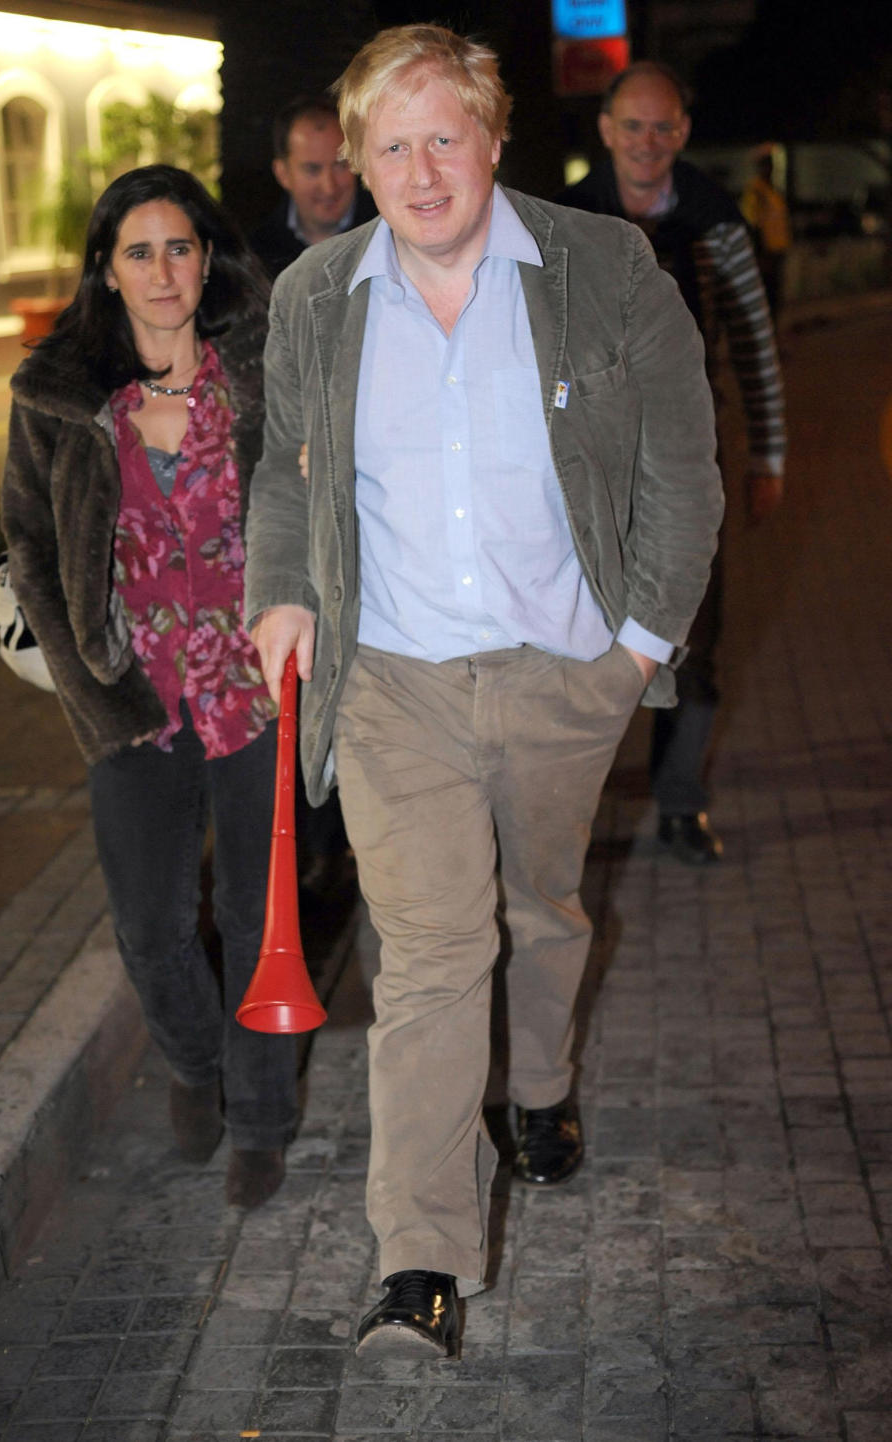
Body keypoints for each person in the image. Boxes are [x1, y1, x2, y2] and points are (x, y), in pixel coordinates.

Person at [243, 25, 723, 1359]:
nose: (418, 168)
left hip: (567, 670)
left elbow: (684, 467)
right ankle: (422, 1260)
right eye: (389, 146)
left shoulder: (602, 267)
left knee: (545, 906)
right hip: (393, 680)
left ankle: (548, 1083)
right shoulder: (317, 296)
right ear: (358, 161)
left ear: (493, 140)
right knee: (435, 956)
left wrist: (634, 651)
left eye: (441, 136)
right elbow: (284, 476)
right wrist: (279, 588)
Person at [1, 165, 298, 1210]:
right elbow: (31, 549)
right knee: (150, 928)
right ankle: (195, 1063)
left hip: (260, 687)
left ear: (207, 258)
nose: (164, 270)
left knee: (263, 919)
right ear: (107, 270)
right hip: (135, 697)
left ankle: (260, 1117)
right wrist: (88, 684)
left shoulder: (264, 371)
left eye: (181, 247)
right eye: (140, 251)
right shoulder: (60, 394)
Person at [560, 61, 786, 865]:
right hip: (584, 464)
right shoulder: (566, 219)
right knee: (576, 641)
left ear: (682, 133)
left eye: (664, 128)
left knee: (692, 636)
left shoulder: (717, 220)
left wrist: (769, 452)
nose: (648, 142)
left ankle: (679, 803)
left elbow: (755, 345)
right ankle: (564, 818)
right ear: (608, 129)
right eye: (634, 126)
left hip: (689, 461)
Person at [249, 94, 378, 280]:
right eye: (312, 169)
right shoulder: (257, 256)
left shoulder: (391, 237)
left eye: (341, 165)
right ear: (282, 174)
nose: (329, 187)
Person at [741, 150, 792, 329]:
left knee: (775, 299)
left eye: (771, 165)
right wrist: (761, 255)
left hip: (777, 251)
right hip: (766, 254)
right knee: (766, 300)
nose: (769, 169)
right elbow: (753, 224)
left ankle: (773, 339)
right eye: (765, 165)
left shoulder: (772, 190)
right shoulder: (756, 190)